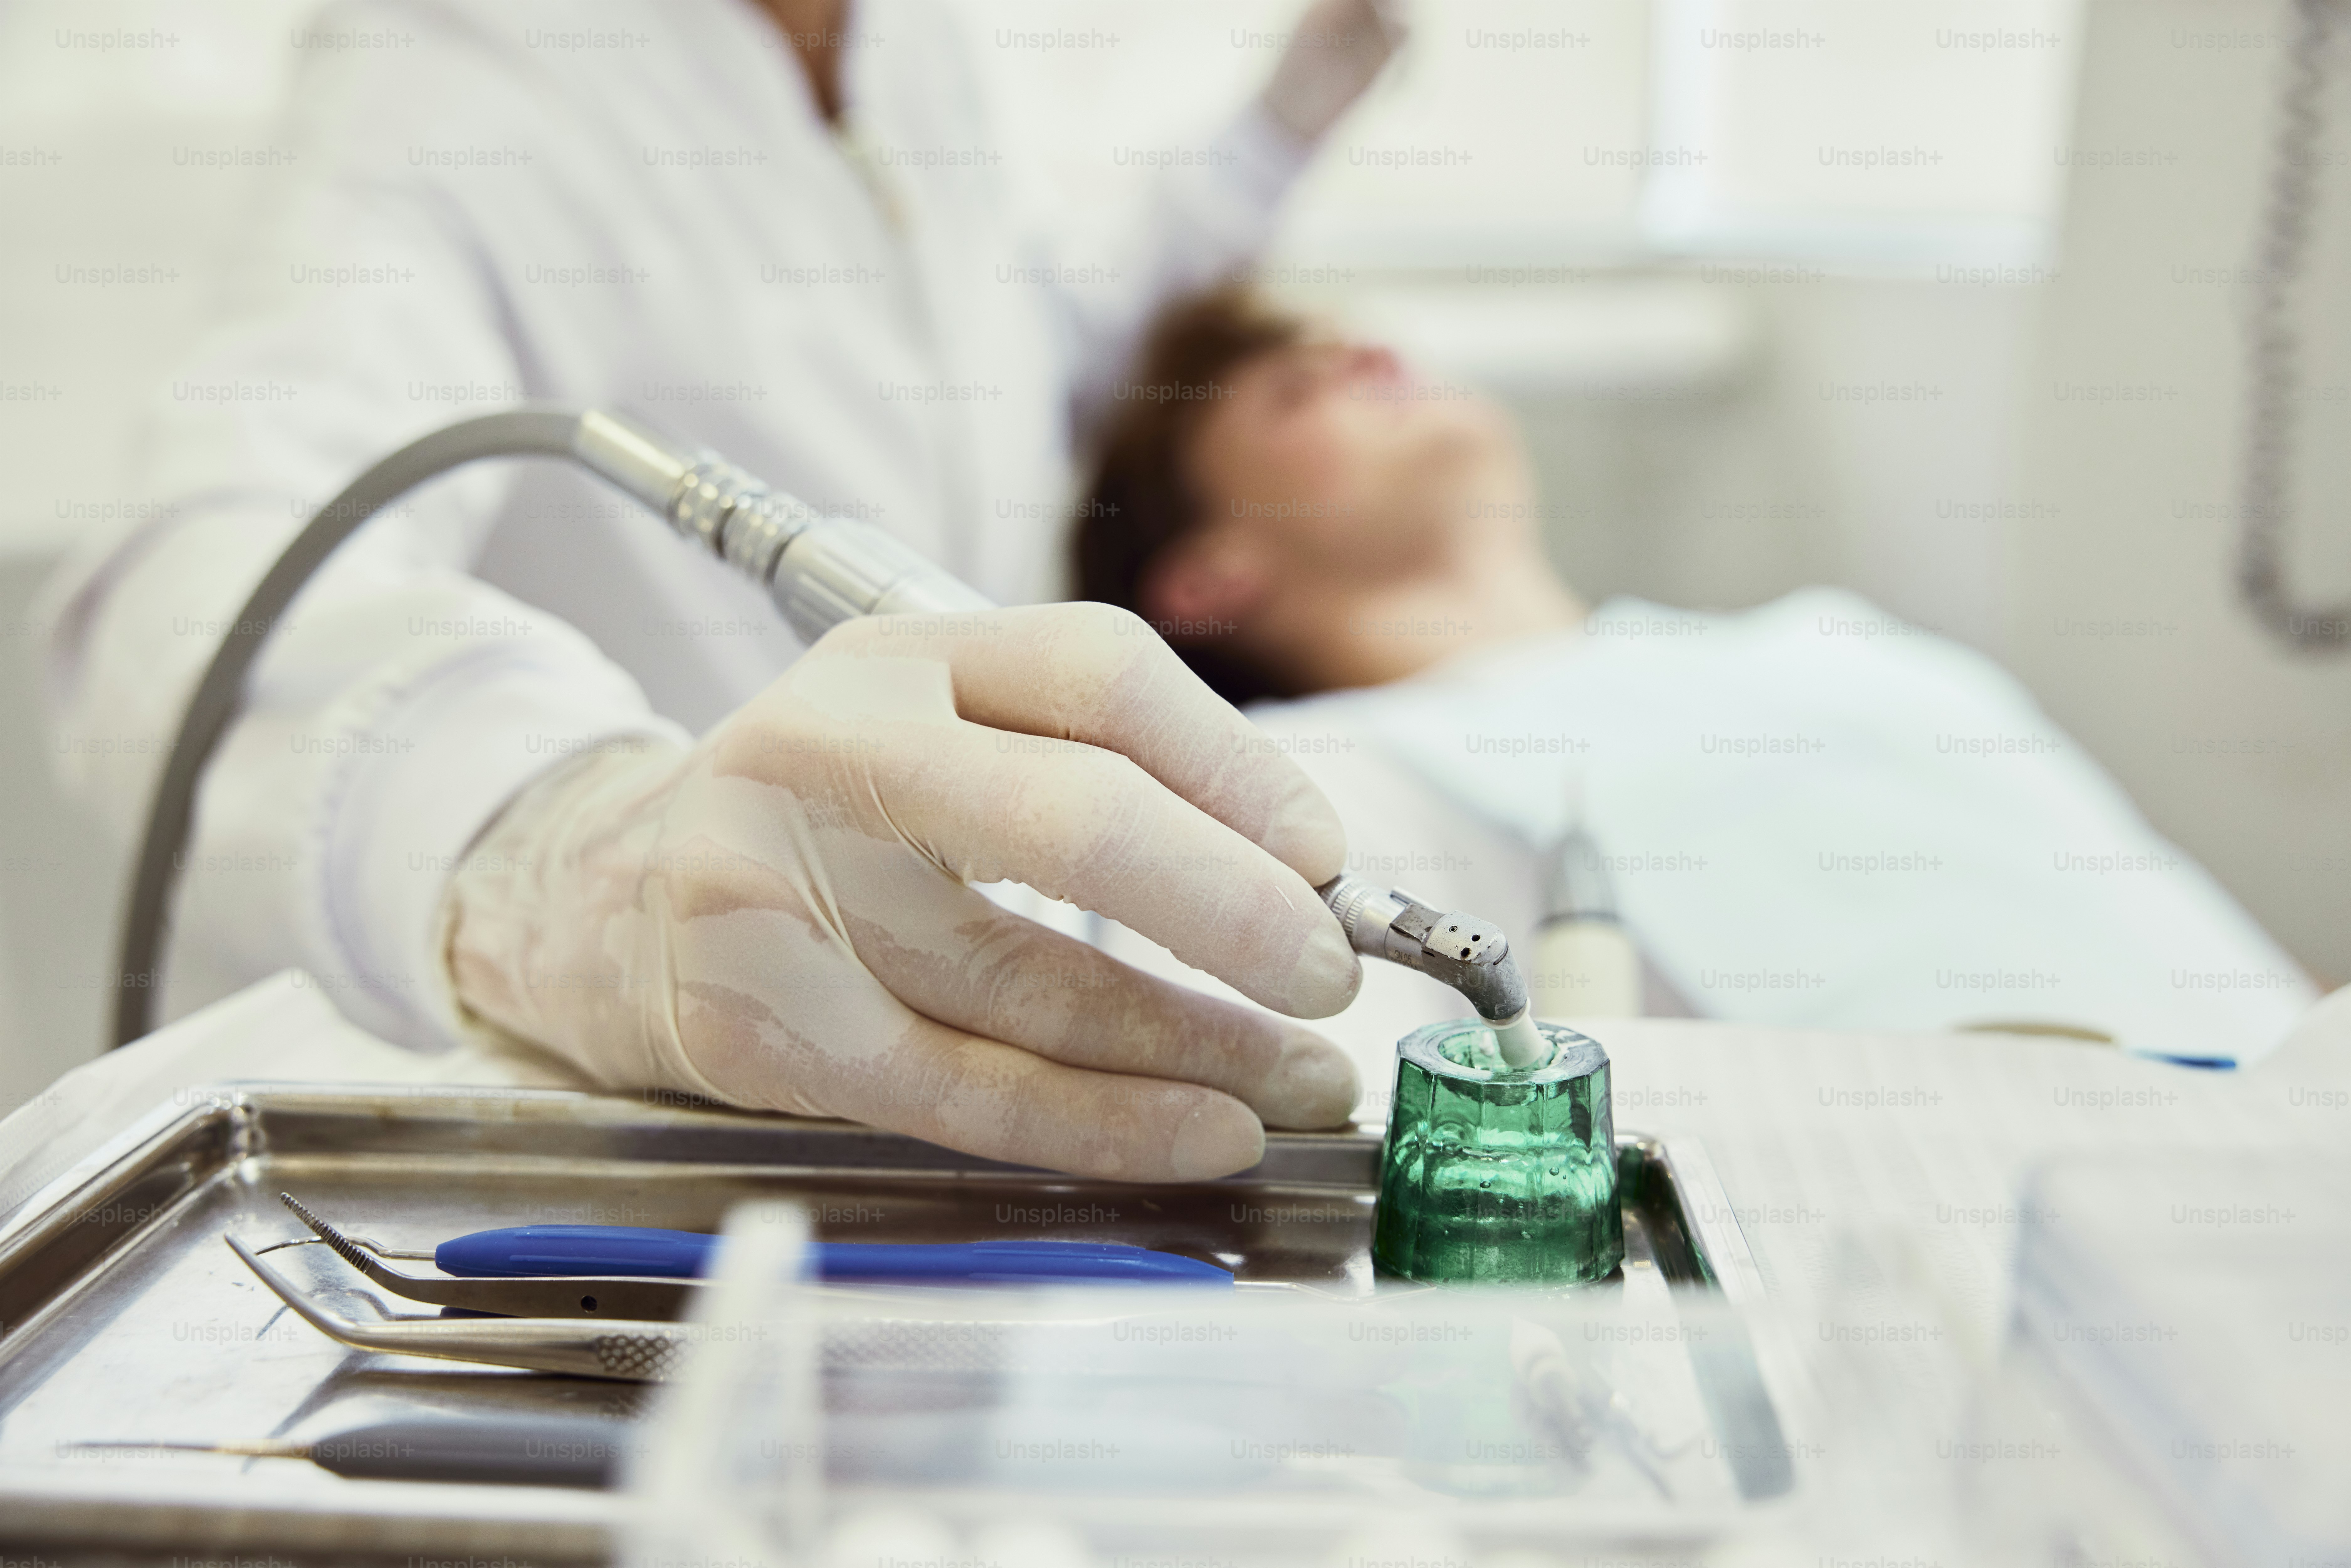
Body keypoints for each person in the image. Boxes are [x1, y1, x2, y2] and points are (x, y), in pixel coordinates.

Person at [41, 0, 1405, 1178]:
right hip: (650, 1158)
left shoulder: (909, 47)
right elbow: (180, 594)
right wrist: (562, 863)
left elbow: (1015, 340)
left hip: (938, 1119)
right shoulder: (455, 80)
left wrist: (1297, 100)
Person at [1073, 289, 2318, 1067]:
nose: (1372, 357)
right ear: (1205, 577)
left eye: (1367, 348)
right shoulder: (1322, 789)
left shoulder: (1834, 640)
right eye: (1299, 388)